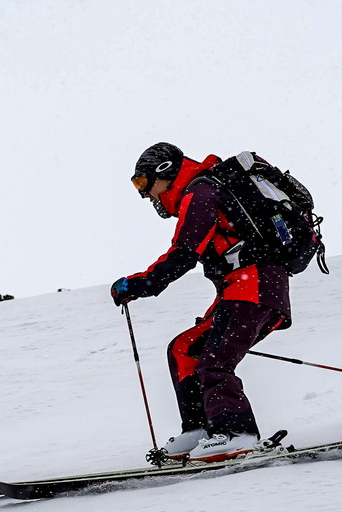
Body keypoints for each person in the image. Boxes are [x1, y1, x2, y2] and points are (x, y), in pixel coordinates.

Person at [110, 142, 292, 464]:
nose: (144, 194)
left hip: (255, 286)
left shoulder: (201, 192)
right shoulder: (200, 192)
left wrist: (139, 284)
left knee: (214, 360)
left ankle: (237, 435)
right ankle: (201, 429)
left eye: (143, 183)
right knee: (185, 349)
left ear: (165, 173)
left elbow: (184, 254)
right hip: (240, 289)